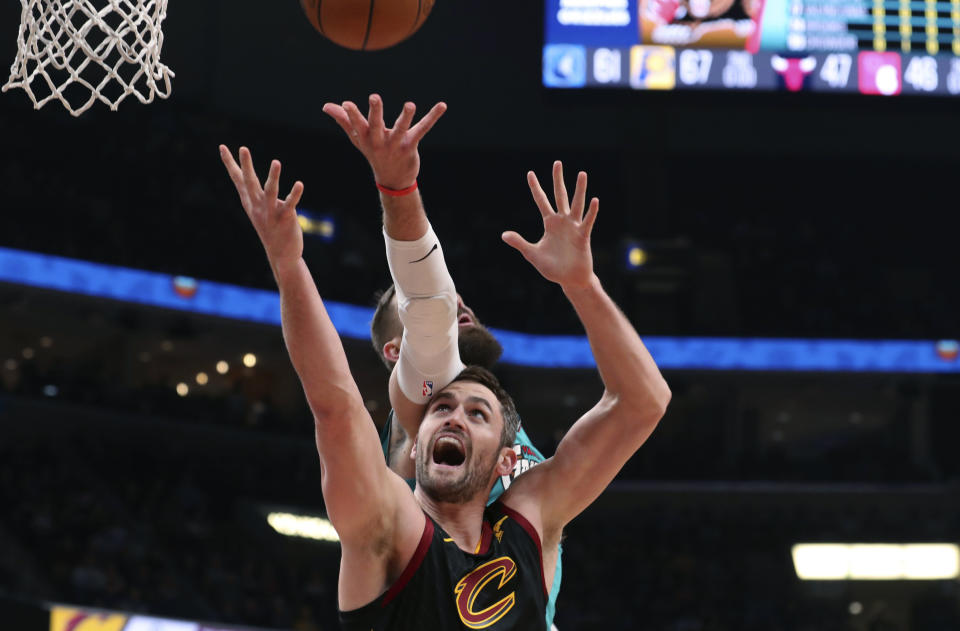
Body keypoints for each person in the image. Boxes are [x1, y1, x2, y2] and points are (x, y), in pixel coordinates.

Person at [218, 141, 671, 629]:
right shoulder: (407, 441)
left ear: (504, 456)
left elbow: (642, 402)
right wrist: (295, 262)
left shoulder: (524, 509)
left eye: (476, 413)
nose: (454, 413)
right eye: (444, 408)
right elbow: (339, 397)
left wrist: (584, 284)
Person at [321, 96, 561, 628]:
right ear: (397, 353)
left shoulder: (484, 410)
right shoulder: (423, 409)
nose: (461, 306)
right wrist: (398, 189)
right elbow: (428, 298)